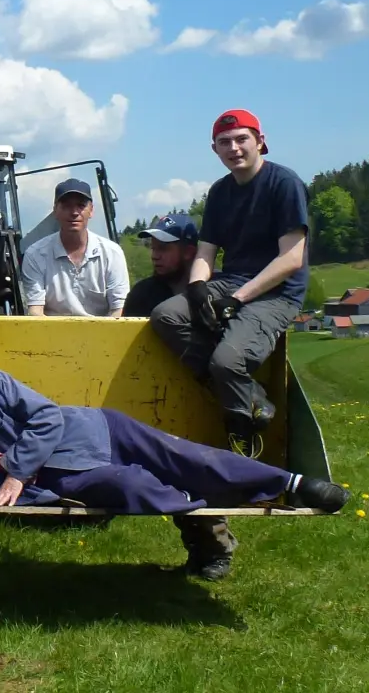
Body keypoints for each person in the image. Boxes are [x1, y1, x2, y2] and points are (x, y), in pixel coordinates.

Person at [0, 355, 350, 566]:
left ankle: (292, 484)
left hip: (98, 430)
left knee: (184, 455)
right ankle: (208, 514)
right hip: (66, 479)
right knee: (132, 488)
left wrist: (16, 473)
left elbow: (46, 416)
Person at [150, 109, 310, 456]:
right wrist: (197, 288)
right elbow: (206, 252)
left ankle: (242, 438)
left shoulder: (284, 183)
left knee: (227, 361)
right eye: (224, 142)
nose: (234, 148)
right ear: (215, 149)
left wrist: (237, 299)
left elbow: (291, 259)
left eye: (242, 139)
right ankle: (249, 394)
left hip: (278, 291)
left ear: (260, 142)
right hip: (233, 280)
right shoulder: (220, 191)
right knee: (166, 315)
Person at [119, 213, 237, 580]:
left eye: (164, 247)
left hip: (205, 397)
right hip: (156, 398)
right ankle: (197, 549)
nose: (155, 254)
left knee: (202, 472)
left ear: (189, 251)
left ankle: (217, 551)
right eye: (152, 247)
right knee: (169, 475)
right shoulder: (143, 294)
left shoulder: (218, 291)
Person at [22, 179, 129, 317]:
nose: (74, 212)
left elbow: (118, 310)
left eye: (81, 205)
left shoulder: (112, 253)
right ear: (55, 211)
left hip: (102, 330)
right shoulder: (35, 255)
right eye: (66, 206)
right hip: (51, 329)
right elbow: (35, 312)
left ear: (91, 211)